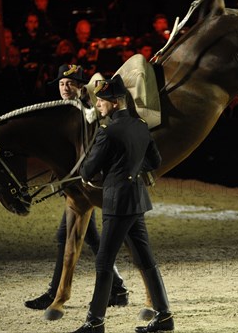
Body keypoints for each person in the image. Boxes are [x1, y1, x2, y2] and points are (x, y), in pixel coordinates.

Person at [72, 75, 174, 333]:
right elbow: (155, 161)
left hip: (118, 202)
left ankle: (95, 323)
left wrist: (105, 170)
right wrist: (130, 167)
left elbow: (87, 170)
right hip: (136, 198)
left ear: (115, 103)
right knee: (145, 258)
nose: (98, 106)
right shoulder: (141, 126)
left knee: (104, 262)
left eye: (101, 102)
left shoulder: (108, 131)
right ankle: (164, 317)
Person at [24, 65, 129, 311]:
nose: (64, 88)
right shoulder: (63, 109)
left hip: (87, 183)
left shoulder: (91, 107)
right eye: (61, 83)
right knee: (89, 237)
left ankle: (55, 292)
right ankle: (118, 287)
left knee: (67, 236)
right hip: (74, 183)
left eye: (70, 83)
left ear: (81, 86)